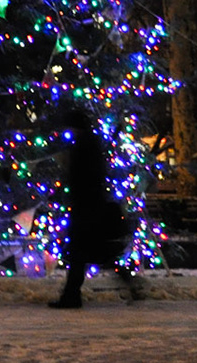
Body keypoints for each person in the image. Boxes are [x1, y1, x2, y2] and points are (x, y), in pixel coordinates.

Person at [51, 105, 135, 309]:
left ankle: (72, 296)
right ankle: (74, 295)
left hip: (85, 207)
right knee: (94, 252)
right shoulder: (90, 143)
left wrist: (71, 195)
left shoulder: (83, 144)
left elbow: (81, 177)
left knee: (81, 252)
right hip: (90, 205)